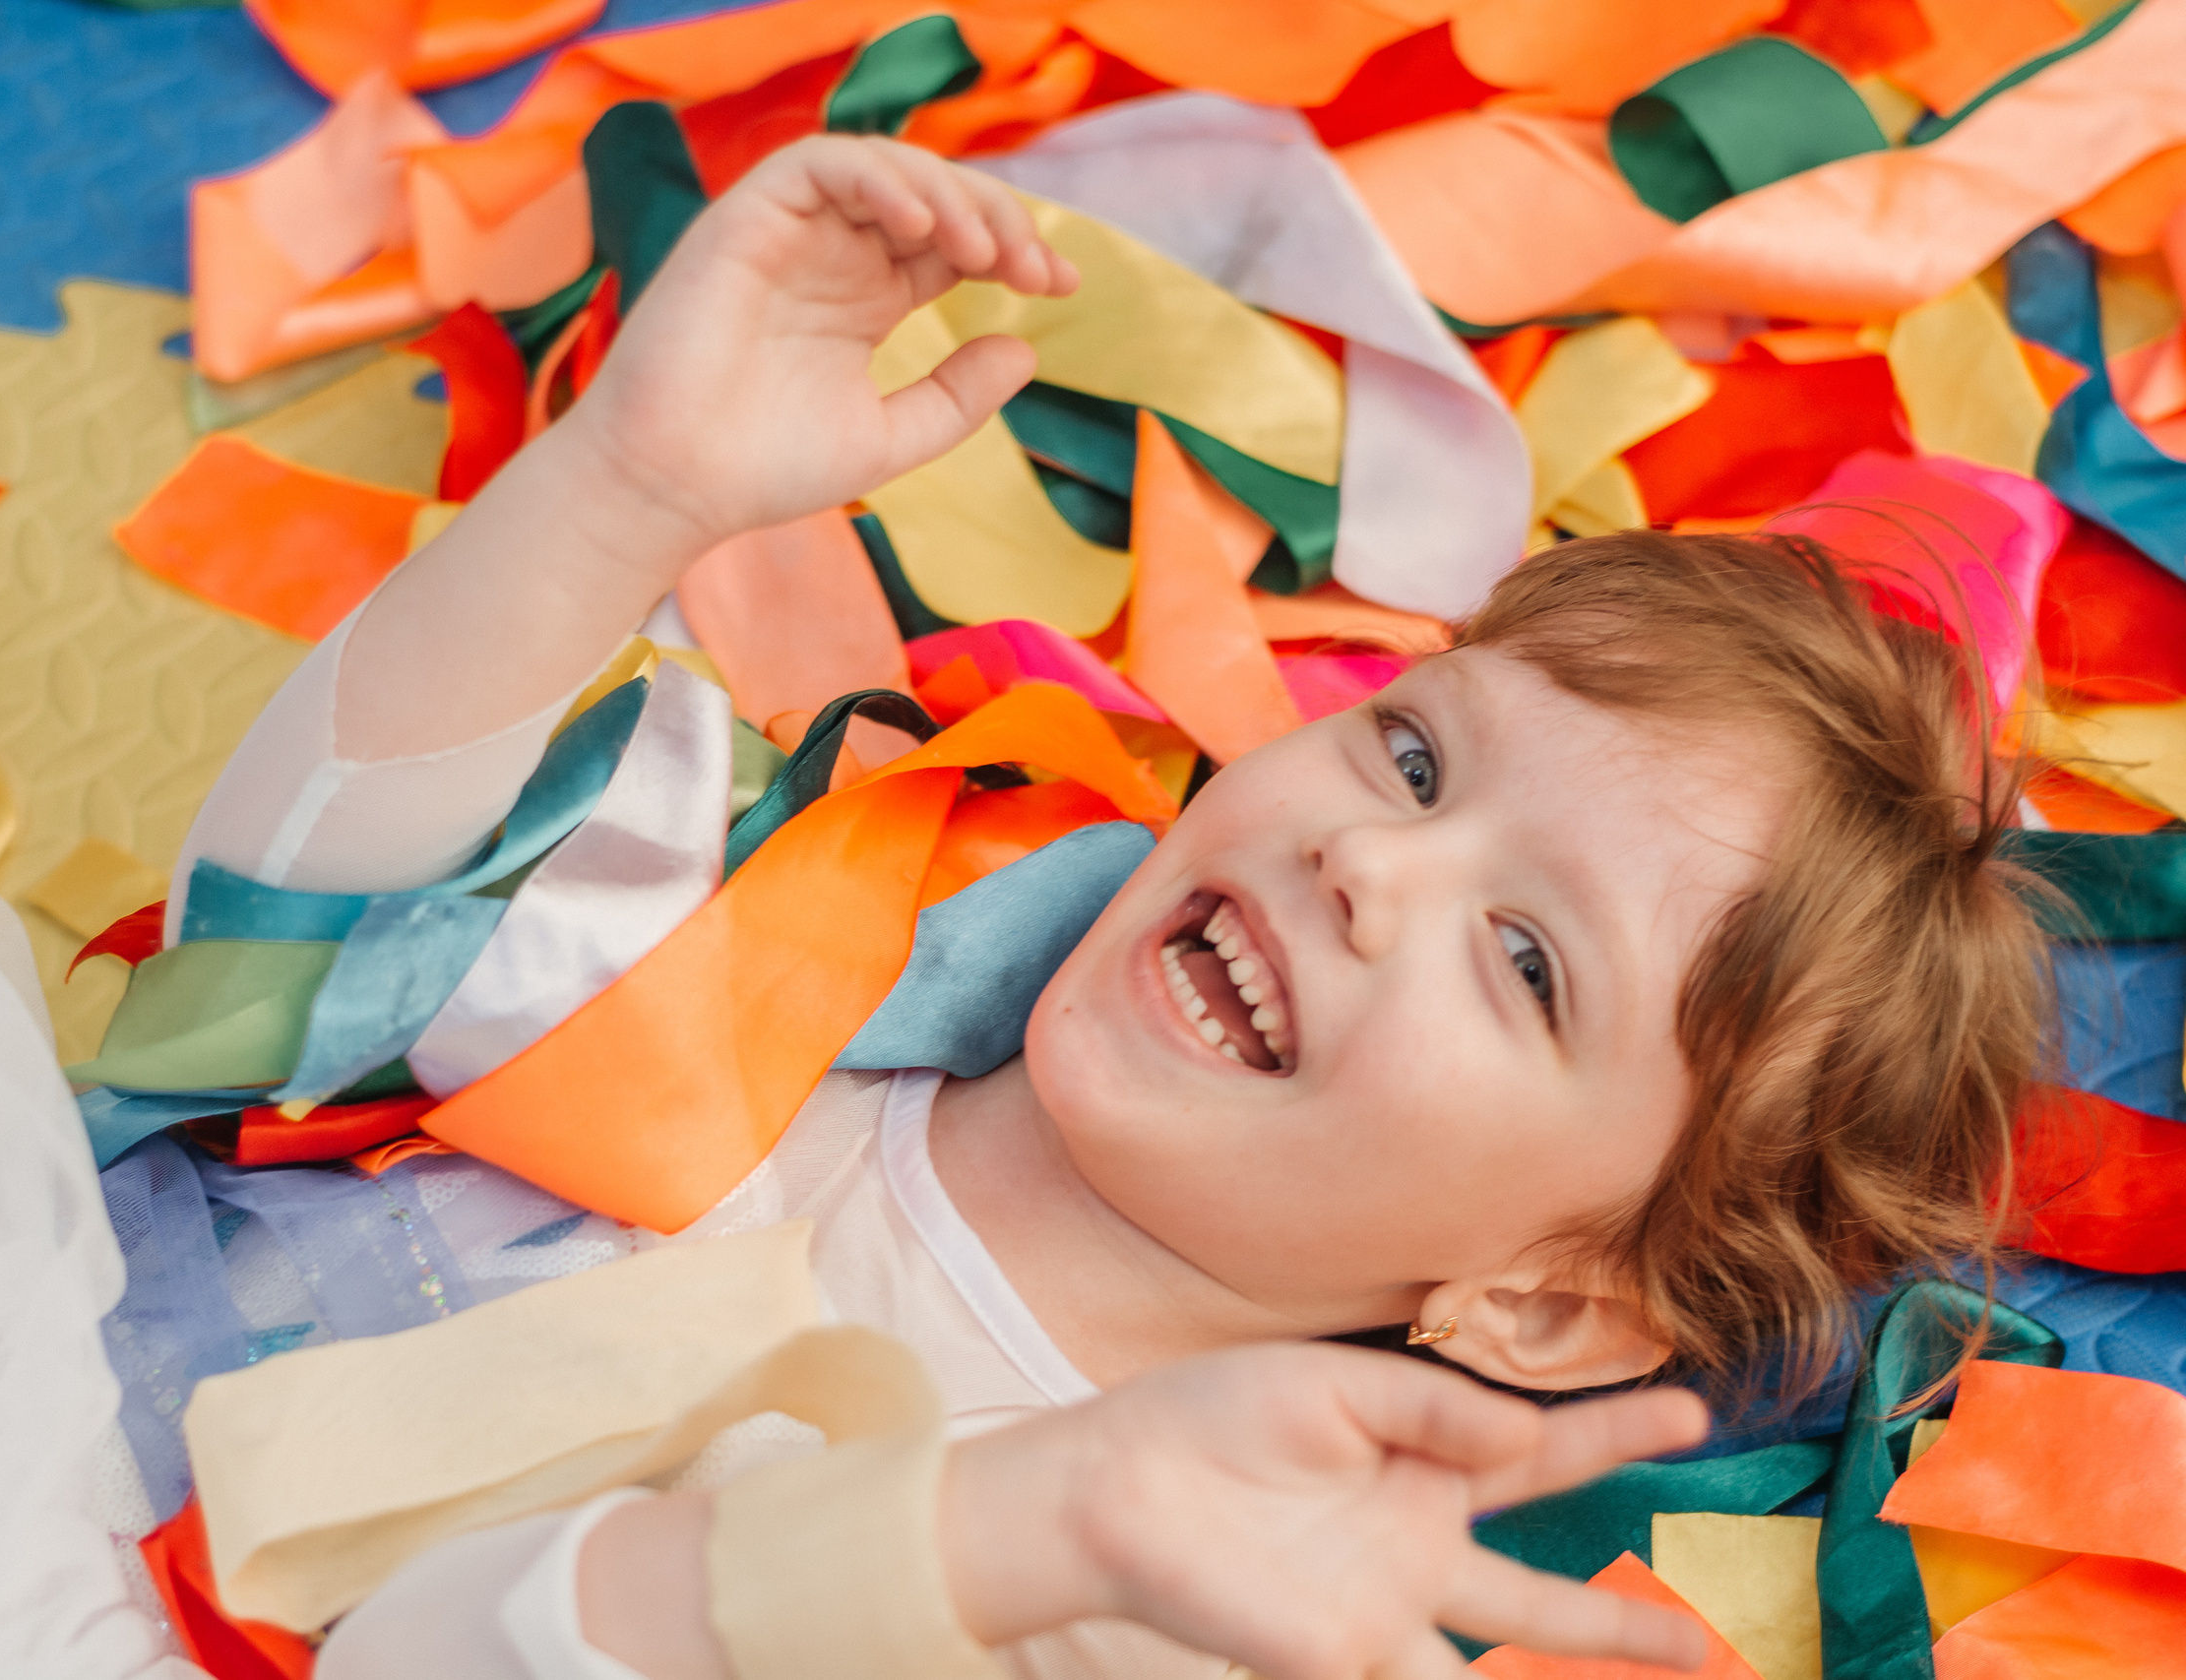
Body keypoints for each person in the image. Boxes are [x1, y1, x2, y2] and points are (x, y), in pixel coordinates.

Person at [162, 135, 2046, 1676]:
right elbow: (260, 961)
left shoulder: (1151, 1602)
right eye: (1411, 759)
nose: (1373, 865)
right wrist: (626, 485)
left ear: (1544, 1306)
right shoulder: (781, 979)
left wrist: (1012, 1537)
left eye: (1531, 962)